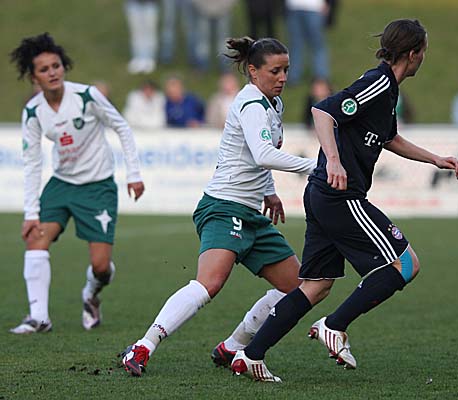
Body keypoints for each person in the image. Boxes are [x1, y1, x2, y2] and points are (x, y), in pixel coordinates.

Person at [230, 19, 458, 382]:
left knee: (316, 285)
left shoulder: (388, 89)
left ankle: (251, 355)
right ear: (413, 54)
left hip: (323, 194)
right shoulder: (378, 82)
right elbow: (323, 112)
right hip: (340, 195)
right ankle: (335, 326)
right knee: (405, 265)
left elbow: (390, 138)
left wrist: (434, 158)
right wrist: (334, 160)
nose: (423, 59)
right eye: (423, 53)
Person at [119, 36, 317, 377]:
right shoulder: (251, 103)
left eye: (286, 70)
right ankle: (142, 347)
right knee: (209, 284)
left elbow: (259, 157)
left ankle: (232, 346)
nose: (283, 77)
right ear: (253, 71)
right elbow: (263, 154)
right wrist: (317, 166)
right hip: (224, 207)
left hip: (251, 214)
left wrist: (269, 191)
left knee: (298, 288)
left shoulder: (273, 104)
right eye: (275, 71)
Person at [9, 33, 145, 334]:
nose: (52, 72)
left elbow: (122, 127)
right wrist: (31, 212)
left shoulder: (87, 96)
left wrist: (133, 174)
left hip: (98, 187)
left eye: (56, 66)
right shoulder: (33, 111)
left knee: (101, 267)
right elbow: (32, 162)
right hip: (61, 185)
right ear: (34, 77)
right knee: (35, 239)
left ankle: (91, 294)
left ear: (64, 66)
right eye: (44, 69)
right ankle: (39, 318)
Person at [285, 0, 330, 85]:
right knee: (314, 45)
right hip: (307, 7)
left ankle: (295, 77)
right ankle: (320, 76)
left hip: (300, 7)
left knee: (298, 45)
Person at [192, 0, 237, 72]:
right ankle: (202, 66)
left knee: (223, 41)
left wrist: (227, 5)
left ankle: (225, 69)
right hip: (202, 9)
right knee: (202, 41)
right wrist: (198, 5)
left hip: (224, 9)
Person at [124, 0, 159, 74]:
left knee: (149, 30)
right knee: (136, 31)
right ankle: (137, 57)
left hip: (150, 3)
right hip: (133, 3)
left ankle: (149, 58)